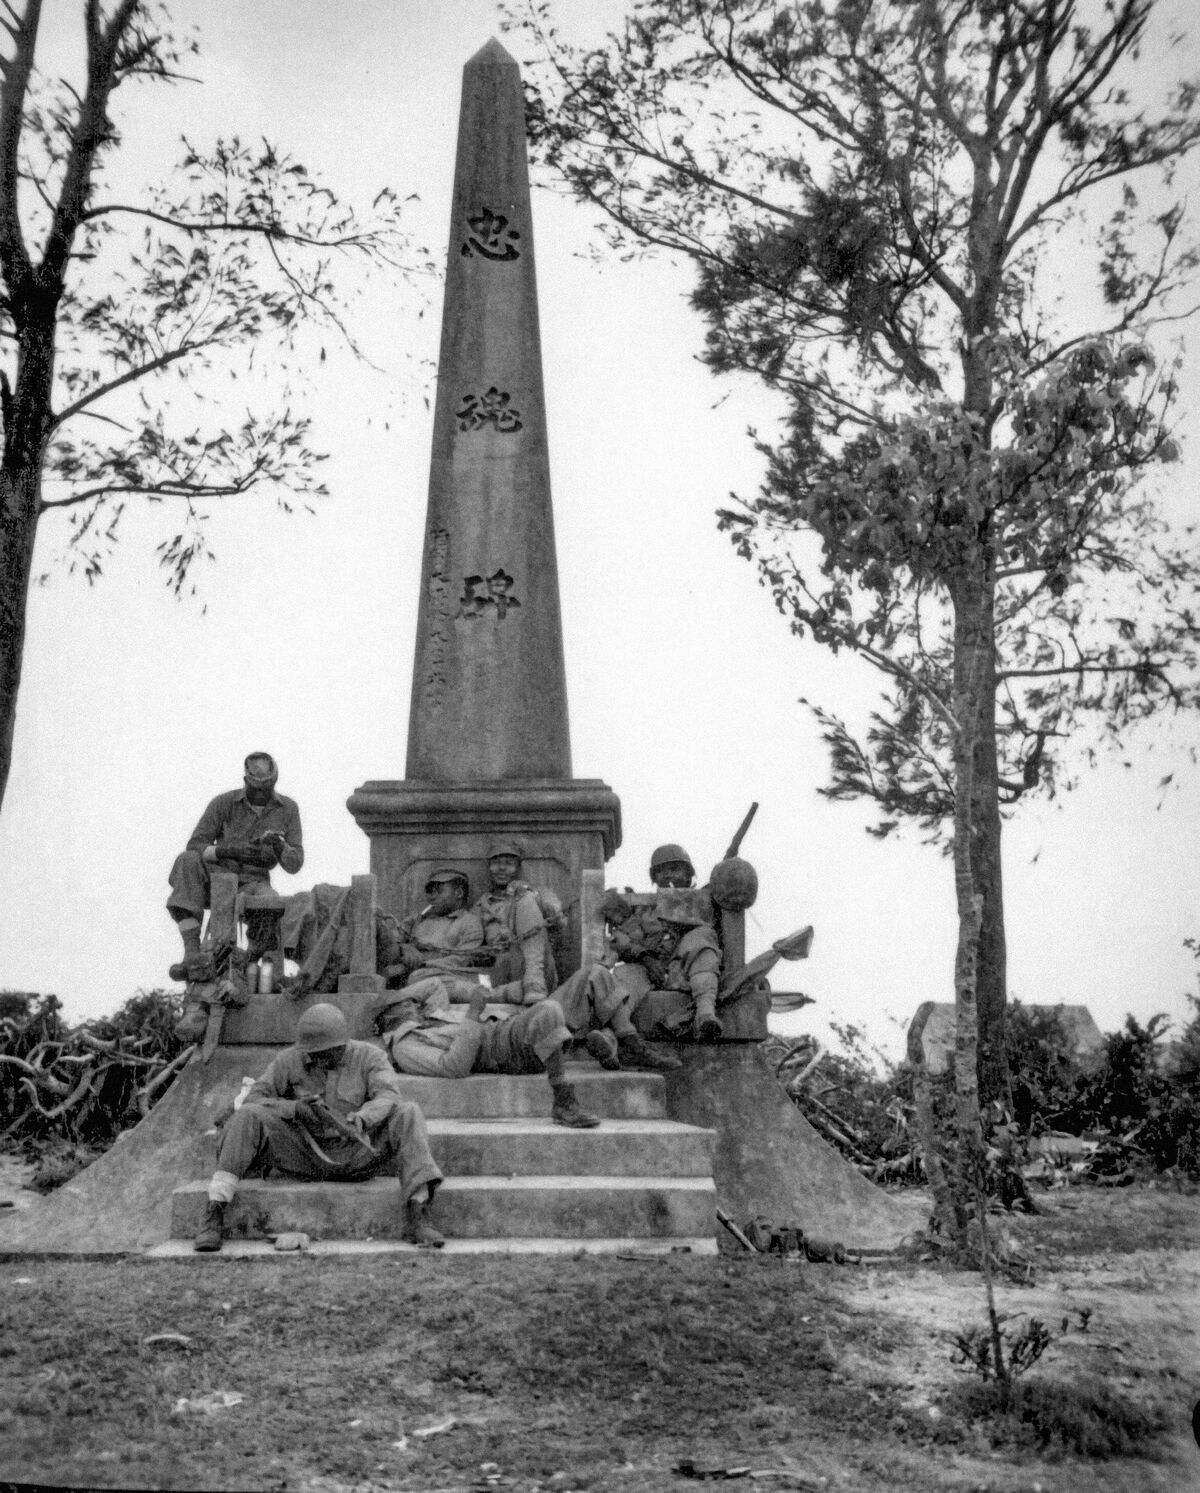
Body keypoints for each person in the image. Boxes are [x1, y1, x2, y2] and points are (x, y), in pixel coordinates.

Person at [194, 1002, 444, 1252]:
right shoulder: (291, 1059)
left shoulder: (371, 1057)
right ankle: (214, 1211)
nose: (315, 1058)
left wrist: (362, 1118)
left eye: (324, 1053)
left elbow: (388, 1096)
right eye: (311, 1053)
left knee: (409, 1112)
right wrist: (294, 1109)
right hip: (304, 1153)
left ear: (342, 1045)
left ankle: (419, 1211)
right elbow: (255, 1097)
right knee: (248, 1114)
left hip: (358, 1154)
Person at [473, 842, 679, 1072]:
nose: (502, 868)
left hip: (541, 978)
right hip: (508, 981)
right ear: (489, 868)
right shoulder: (481, 907)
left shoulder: (534, 894)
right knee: (598, 975)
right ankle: (623, 1041)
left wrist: (535, 898)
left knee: (597, 972)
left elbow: (559, 923)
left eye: (508, 863)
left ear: (518, 867)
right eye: (496, 863)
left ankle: (633, 1046)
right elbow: (470, 955)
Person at [375, 983, 601, 1129]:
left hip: (506, 1028)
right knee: (549, 1010)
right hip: (501, 1052)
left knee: (569, 997)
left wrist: (394, 997)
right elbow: (453, 1067)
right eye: (404, 1005)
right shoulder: (404, 1046)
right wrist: (473, 1012)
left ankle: (593, 1042)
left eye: (411, 1002)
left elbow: (433, 986)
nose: (413, 1005)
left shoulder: (426, 1016)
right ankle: (563, 1101)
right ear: (390, 1016)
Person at [167, 752, 303, 981]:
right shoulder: (224, 803)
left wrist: (278, 845)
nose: (261, 794)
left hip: (254, 880)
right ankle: (192, 955)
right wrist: (227, 850)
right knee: (187, 860)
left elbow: (295, 864)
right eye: (256, 788)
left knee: (270, 904)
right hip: (219, 873)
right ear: (246, 782)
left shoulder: (288, 808)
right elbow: (196, 843)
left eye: (267, 788)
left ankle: (248, 961)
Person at [604, 843, 724, 1042]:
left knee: (701, 940)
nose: (668, 876)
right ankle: (612, 1036)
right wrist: (645, 957)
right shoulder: (644, 910)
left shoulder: (703, 903)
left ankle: (706, 1015)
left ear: (688, 876)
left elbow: (727, 888)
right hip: (650, 973)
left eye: (675, 870)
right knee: (624, 976)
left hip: (686, 972)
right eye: (662, 872)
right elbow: (624, 941)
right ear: (654, 879)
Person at [383, 868, 487, 986]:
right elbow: (392, 939)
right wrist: (403, 947)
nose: (432, 897)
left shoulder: (469, 922)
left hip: (442, 975)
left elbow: (462, 960)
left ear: (459, 893)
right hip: (408, 974)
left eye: (439, 891)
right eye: (430, 892)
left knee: (420, 978)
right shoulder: (417, 919)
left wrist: (421, 964)